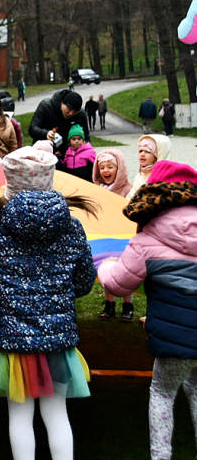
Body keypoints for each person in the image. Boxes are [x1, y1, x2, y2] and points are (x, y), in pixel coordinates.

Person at [0, 147, 96, 460]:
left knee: (20, 417)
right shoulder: (72, 229)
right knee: (57, 415)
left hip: (14, 343)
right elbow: (84, 283)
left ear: (9, 183)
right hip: (58, 340)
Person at [97, 160, 197, 460]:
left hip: (172, 343)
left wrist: (106, 266)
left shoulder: (147, 240)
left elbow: (118, 286)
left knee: (162, 394)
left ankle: (161, 456)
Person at [92, 149, 134, 321]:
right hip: (104, 236)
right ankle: (109, 304)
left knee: (125, 271)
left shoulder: (128, 190)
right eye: (102, 167)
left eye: (110, 166)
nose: (106, 171)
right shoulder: (96, 190)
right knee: (106, 269)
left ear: (120, 168)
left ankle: (127, 305)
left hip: (122, 238)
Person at [29, 90, 90, 157]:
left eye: (74, 111)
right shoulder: (46, 106)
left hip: (69, 156)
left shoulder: (80, 115)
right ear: (62, 103)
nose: (71, 113)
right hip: (43, 154)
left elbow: (86, 138)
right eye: (69, 109)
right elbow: (32, 129)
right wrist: (46, 133)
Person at [126, 135, 172, 200]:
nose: (142, 154)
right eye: (140, 151)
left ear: (158, 155)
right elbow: (131, 196)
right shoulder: (140, 176)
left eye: (147, 151)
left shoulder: (167, 176)